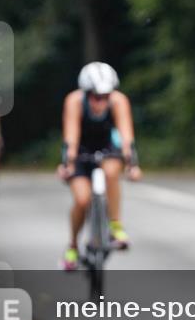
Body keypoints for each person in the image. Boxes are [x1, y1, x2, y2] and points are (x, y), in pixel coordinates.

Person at [56, 62, 142, 270]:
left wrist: (132, 165)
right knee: (82, 200)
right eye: (96, 97)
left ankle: (115, 226)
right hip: (81, 151)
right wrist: (68, 163)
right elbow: (71, 136)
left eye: (106, 96)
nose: (101, 102)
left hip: (108, 148)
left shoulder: (119, 101)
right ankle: (73, 246)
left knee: (111, 172)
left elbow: (126, 136)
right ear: (86, 93)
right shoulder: (74, 101)